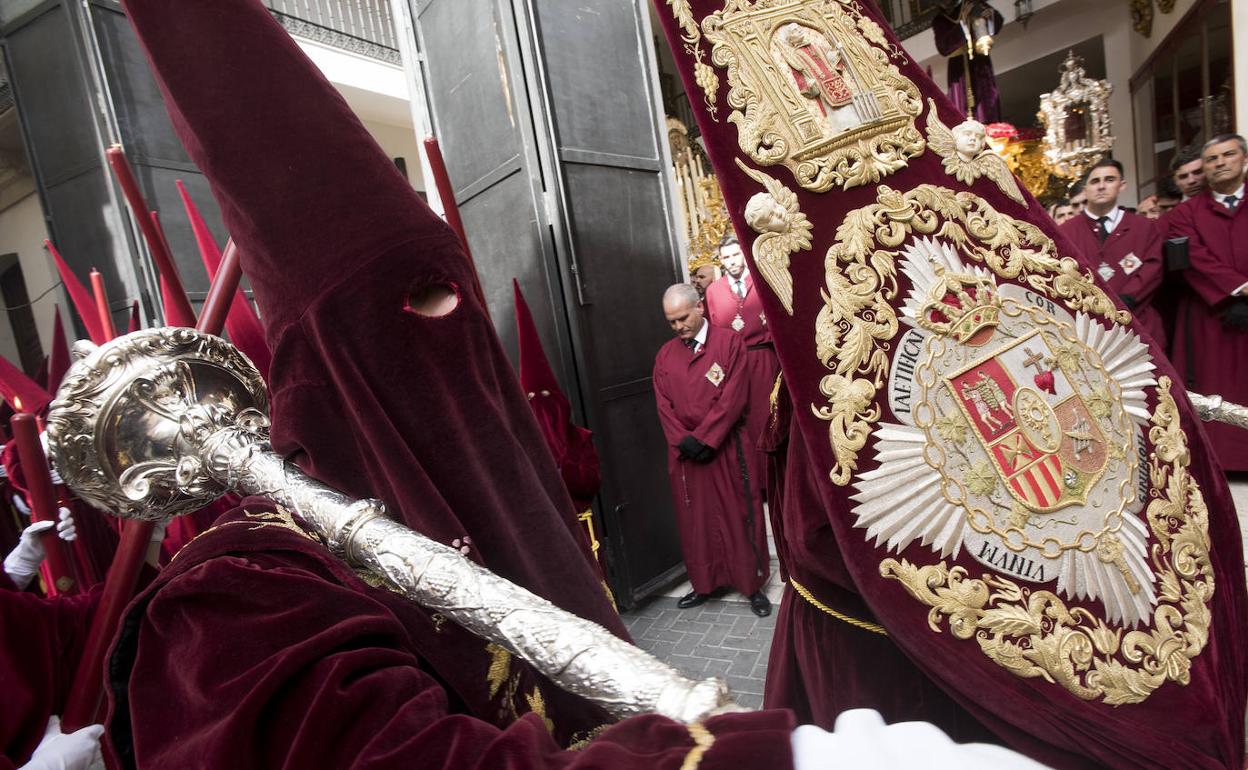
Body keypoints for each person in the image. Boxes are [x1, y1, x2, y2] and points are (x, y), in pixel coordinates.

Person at [653, 284, 770, 617]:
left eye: (683, 318)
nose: (678, 327)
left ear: (700, 307)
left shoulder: (730, 343)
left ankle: (752, 585)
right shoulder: (664, 356)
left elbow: (734, 397)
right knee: (697, 522)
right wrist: (685, 441)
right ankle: (705, 584)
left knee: (740, 515)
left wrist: (706, 438)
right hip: (687, 455)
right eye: (671, 321)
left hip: (727, 447)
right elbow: (663, 405)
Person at [1167, 133, 1248, 471]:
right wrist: (1239, 288)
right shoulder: (1184, 214)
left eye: (1228, 155)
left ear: (1243, 158)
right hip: (1210, 311)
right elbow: (1192, 258)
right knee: (1217, 388)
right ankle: (1224, 462)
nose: (1220, 163)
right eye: (1212, 159)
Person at [1058, 158, 1166, 345]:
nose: (1101, 186)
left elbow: (1153, 267)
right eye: (1095, 181)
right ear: (1085, 190)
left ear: (1121, 185)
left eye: (1109, 180)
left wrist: (1127, 298)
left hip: (1138, 321)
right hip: (1088, 327)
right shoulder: (1066, 231)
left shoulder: (1144, 227)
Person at [703, 236, 778, 496]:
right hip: (736, 364)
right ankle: (756, 485)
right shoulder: (713, 291)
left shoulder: (761, 280)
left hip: (766, 360)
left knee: (771, 416)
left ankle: (778, 480)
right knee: (745, 422)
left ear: (743, 255)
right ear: (721, 261)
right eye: (726, 258)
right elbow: (713, 334)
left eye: (736, 255)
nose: (732, 261)